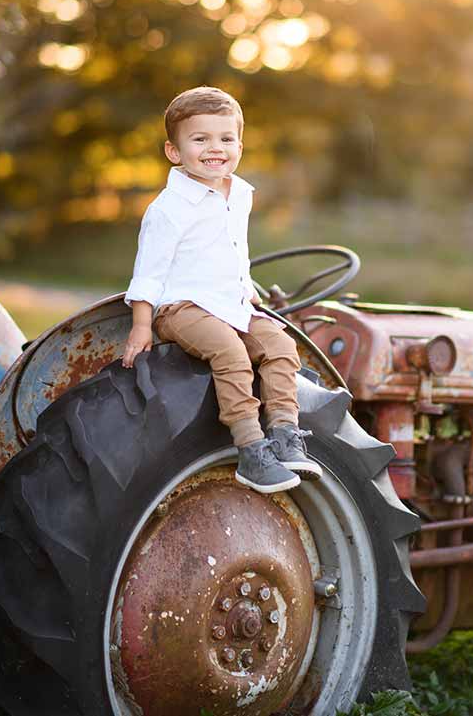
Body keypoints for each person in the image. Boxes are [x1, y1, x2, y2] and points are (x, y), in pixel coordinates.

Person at [120, 86, 322, 493]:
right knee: (230, 353)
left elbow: (235, 249)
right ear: (174, 152)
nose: (216, 148)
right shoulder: (167, 210)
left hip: (230, 303)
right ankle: (251, 448)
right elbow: (148, 273)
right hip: (182, 307)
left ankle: (284, 432)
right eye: (201, 139)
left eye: (226, 139)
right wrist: (142, 326)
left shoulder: (239, 193)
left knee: (282, 346)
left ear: (240, 145)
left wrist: (246, 289)